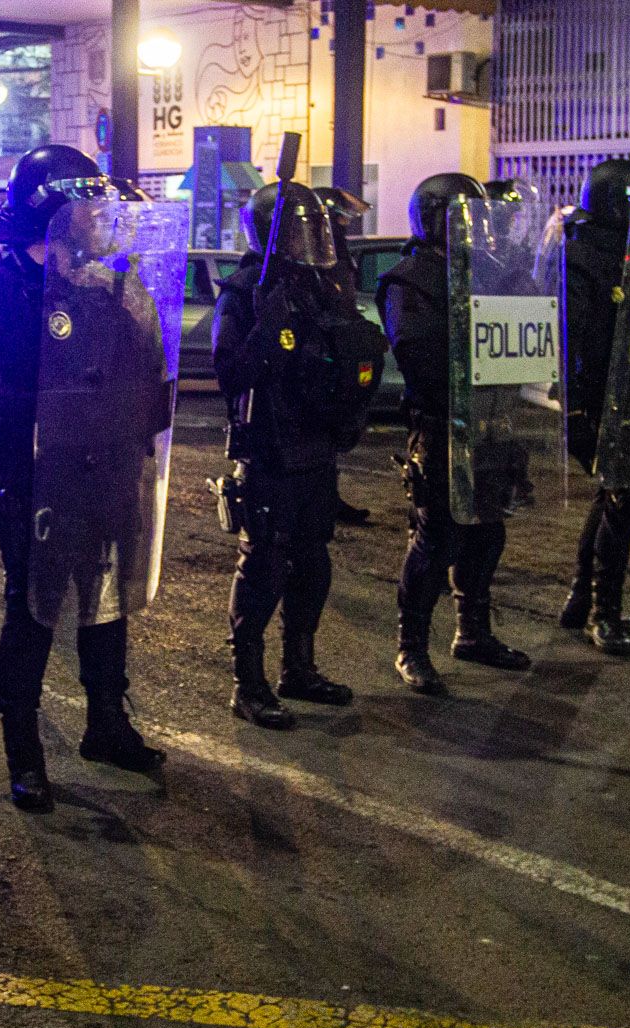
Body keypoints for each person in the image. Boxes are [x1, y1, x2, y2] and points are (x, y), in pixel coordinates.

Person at [0, 145, 167, 811]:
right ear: (51, 212)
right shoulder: (0, 288)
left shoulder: (105, 288)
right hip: (35, 480)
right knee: (32, 615)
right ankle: (25, 752)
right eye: (85, 207)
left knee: (106, 607)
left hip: (105, 473)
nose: (98, 219)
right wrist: (38, 410)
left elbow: (140, 369)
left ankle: (107, 723)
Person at [213, 180, 384, 728]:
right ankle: (249, 683)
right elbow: (231, 373)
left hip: (315, 448)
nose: (310, 239)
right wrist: (266, 323)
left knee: (312, 564)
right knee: (263, 567)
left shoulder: (319, 286)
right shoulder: (243, 292)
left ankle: (299, 667)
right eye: (297, 228)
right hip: (268, 451)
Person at [377, 174, 531, 692]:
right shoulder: (409, 280)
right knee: (437, 538)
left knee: (487, 531)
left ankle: (473, 632)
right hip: (441, 426)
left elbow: (531, 325)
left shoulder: (487, 271)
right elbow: (418, 354)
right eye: (465, 217)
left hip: (490, 422)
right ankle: (411, 647)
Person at [556, 159, 630, 656]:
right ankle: (604, 613)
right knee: (621, 500)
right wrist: (577, 409)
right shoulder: (581, 257)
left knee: (617, 499)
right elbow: (572, 339)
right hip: (598, 397)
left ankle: (582, 597)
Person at [312, 184, 376, 528]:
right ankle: (324, 500)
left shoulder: (335, 245)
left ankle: (328, 498)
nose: (345, 222)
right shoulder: (318, 251)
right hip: (328, 342)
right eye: (339, 216)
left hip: (343, 335)